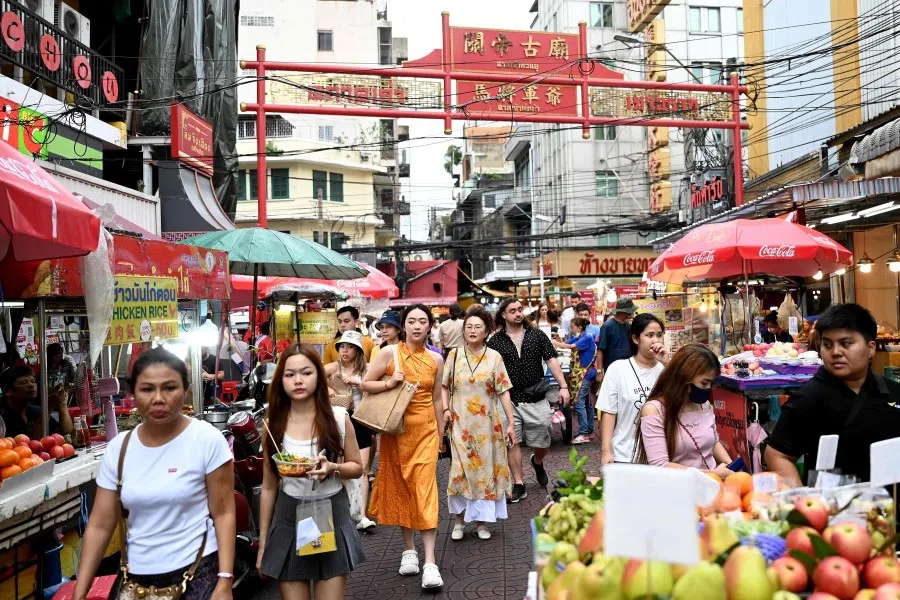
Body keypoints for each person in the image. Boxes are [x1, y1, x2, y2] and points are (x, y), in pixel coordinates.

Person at [73, 348, 235, 600]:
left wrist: (224, 581)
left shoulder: (207, 440)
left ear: (185, 389)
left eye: (169, 388)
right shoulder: (120, 449)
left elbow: (224, 512)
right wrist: (79, 594)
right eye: (147, 389)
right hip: (137, 577)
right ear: (133, 393)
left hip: (198, 571)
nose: (158, 398)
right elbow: (100, 525)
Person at [257, 344, 366, 599]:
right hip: (288, 515)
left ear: (318, 375)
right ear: (280, 379)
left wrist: (333, 468)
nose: (298, 380)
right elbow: (270, 486)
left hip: (331, 512)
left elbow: (357, 467)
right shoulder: (272, 425)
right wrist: (263, 543)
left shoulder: (338, 418)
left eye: (306, 373)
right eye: (289, 374)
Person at [765, 304, 900, 486]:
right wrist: (804, 503)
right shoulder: (808, 399)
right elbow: (777, 455)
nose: (835, 352)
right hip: (834, 508)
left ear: (871, 348)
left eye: (846, 344)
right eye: (827, 344)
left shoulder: (893, 392)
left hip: (888, 507)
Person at [361, 305, 445, 589]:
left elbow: (436, 400)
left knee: (424, 489)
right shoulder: (389, 353)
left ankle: (430, 562)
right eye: (412, 321)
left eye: (423, 321)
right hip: (395, 432)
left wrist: (441, 435)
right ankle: (409, 549)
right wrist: (389, 384)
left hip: (427, 433)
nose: (417, 326)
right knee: (402, 486)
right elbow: (365, 385)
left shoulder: (436, 359)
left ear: (430, 326)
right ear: (403, 326)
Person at [441, 306, 516, 541]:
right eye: (469, 327)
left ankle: (482, 522)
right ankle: (459, 521)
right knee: (459, 471)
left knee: (485, 472)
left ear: (486, 332)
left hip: (488, 425)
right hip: (459, 422)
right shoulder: (453, 355)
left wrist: (511, 424)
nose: (472, 331)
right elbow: (445, 386)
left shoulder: (494, 357)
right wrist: (445, 409)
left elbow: (504, 391)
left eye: (477, 327)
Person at [487, 298, 570, 503]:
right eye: (512, 311)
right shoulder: (495, 341)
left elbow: (551, 360)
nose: (517, 313)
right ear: (503, 315)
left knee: (544, 435)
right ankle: (518, 483)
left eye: (520, 310)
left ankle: (537, 461)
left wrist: (564, 386)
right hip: (508, 399)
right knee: (511, 441)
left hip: (536, 396)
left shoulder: (537, 335)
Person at [637, 344, 735, 479]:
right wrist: (713, 474)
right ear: (683, 378)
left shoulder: (704, 405)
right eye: (704, 383)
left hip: (711, 487)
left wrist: (730, 465)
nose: (708, 389)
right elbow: (660, 465)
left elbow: (713, 443)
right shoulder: (654, 410)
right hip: (679, 490)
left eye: (711, 384)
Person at [597, 313, 668, 465]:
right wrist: (606, 451)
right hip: (625, 455)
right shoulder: (618, 369)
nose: (656, 340)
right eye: (649, 335)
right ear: (636, 339)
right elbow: (609, 412)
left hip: (662, 457)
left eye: (659, 335)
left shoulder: (666, 371)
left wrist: (668, 364)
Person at [324, 331, 377, 532]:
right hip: (338, 419)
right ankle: (344, 512)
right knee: (339, 467)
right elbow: (314, 377)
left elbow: (380, 386)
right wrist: (327, 389)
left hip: (360, 419)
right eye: (342, 346)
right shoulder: (331, 367)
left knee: (362, 469)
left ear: (358, 350)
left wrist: (360, 384)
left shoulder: (367, 370)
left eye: (350, 346)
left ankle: (361, 515)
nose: (345, 350)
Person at [553, 317, 597, 444]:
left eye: (572, 327)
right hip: (584, 374)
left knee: (579, 403)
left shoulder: (587, 338)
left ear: (579, 327)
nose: (571, 330)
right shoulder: (579, 337)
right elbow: (566, 343)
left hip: (586, 374)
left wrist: (553, 343)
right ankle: (589, 430)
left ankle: (583, 434)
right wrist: (558, 339)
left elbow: (571, 346)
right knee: (587, 403)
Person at [0, 365, 73, 438]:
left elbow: (67, 434)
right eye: (24, 382)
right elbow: (32, 443)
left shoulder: (36, 411)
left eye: (33, 381)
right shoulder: (2, 417)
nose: (31, 385)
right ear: (7, 391)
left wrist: (62, 405)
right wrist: (48, 407)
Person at [595, 298, 637, 377]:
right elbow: (600, 349)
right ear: (625, 311)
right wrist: (599, 370)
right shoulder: (607, 326)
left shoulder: (628, 327)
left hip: (628, 367)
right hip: (612, 369)